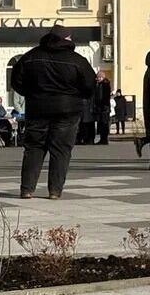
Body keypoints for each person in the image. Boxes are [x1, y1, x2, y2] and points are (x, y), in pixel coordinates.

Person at [11, 24, 96, 199]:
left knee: (34, 148)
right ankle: (55, 191)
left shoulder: (30, 57)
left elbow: (16, 81)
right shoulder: (77, 60)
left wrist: (32, 94)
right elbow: (89, 85)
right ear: (66, 39)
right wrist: (77, 97)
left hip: (37, 108)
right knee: (61, 149)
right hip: (68, 110)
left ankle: (27, 189)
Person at [93, 71, 113, 145]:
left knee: (103, 124)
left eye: (98, 77)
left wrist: (101, 105)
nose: (96, 79)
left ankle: (104, 140)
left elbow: (102, 97)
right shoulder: (103, 84)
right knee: (102, 124)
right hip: (104, 108)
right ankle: (103, 139)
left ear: (101, 77)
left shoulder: (103, 85)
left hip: (104, 108)